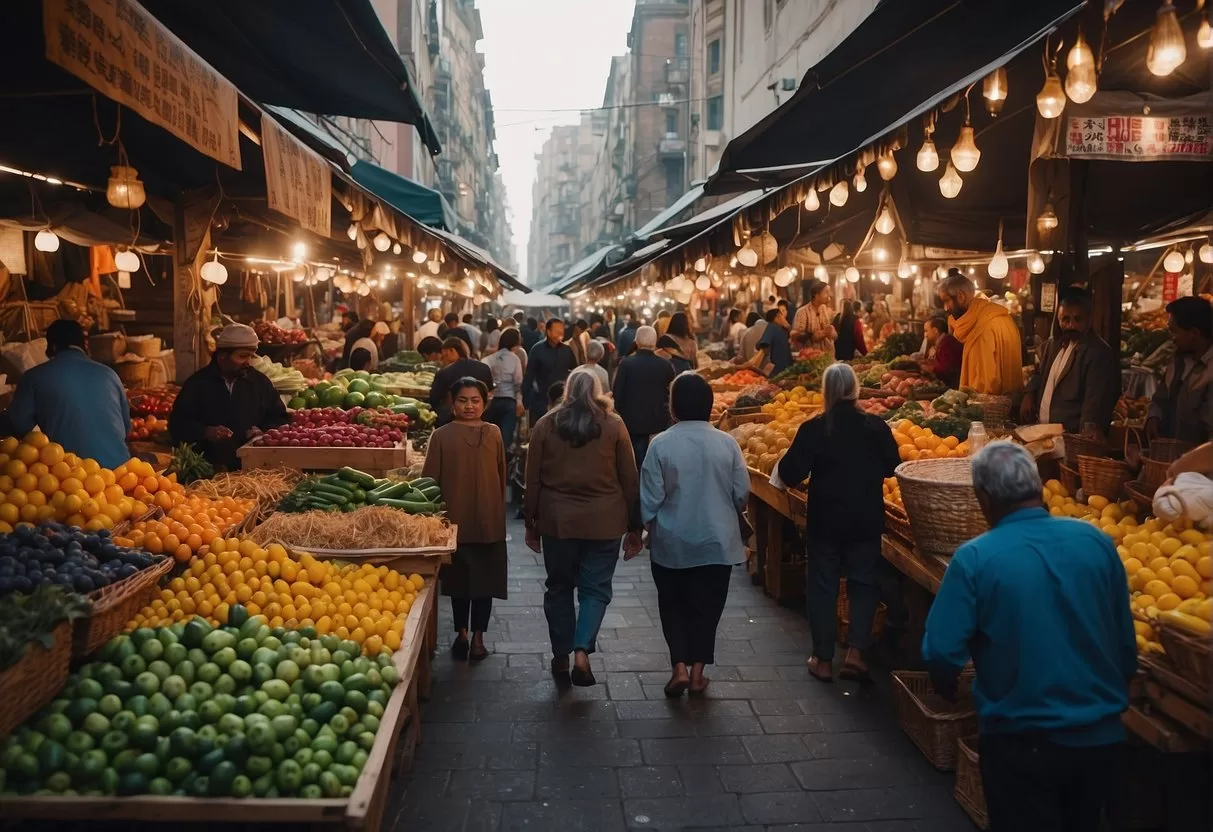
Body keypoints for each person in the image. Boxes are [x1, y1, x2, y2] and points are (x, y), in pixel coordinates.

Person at [922, 441, 1136, 831]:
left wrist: (947, 684)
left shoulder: (975, 558)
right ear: (1038, 487)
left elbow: (940, 652)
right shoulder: (1097, 543)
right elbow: (1125, 645)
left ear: (983, 498)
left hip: (1021, 742)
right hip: (1099, 740)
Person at [774, 362, 900, 682]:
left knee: (822, 585)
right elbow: (892, 467)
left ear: (826, 391)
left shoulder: (815, 428)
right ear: (856, 390)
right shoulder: (876, 426)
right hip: (865, 520)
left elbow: (789, 473)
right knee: (863, 583)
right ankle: (856, 652)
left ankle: (823, 658)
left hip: (825, 521)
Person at [524, 369, 642, 686]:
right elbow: (629, 479)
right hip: (605, 522)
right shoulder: (614, 425)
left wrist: (530, 521)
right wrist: (635, 525)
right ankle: (581, 650)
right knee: (595, 589)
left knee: (559, 587)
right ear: (599, 390)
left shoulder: (546, 424)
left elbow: (532, 478)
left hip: (557, 521)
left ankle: (561, 655)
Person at [640, 372, 749, 697]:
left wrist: (645, 529)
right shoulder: (727, 443)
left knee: (673, 605)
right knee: (707, 607)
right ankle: (698, 672)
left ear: (673, 407)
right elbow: (742, 492)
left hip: (671, 544)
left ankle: (679, 669)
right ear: (709, 405)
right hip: (717, 543)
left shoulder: (660, 444)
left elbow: (649, 500)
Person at [423, 377, 507, 662]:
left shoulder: (493, 433)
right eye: (463, 400)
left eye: (475, 401)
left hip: (482, 521)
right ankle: (464, 634)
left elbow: (500, 475)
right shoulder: (442, 435)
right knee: (464, 583)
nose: (469, 406)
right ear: (452, 402)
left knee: (480, 583)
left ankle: (475, 637)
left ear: (485, 403)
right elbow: (430, 482)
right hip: (459, 522)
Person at [7, 319, 131, 468]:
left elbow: (19, 425)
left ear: (52, 346)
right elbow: (126, 428)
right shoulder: (111, 375)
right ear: (84, 345)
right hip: (122, 473)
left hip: (72, 477)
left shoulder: (34, 377)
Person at [170, 324, 288, 471]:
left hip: (254, 471)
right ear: (222, 356)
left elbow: (279, 417)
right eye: (242, 356)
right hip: (208, 473)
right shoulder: (196, 384)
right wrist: (204, 432)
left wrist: (262, 433)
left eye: (250, 356)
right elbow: (177, 425)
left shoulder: (260, 383)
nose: (248, 362)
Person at [1021, 288, 1118, 436]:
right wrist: (1030, 393)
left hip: (1071, 436)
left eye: (1078, 319)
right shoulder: (1053, 345)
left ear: (1088, 320)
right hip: (1044, 432)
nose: (1071, 325)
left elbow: (1094, 401)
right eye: (1066, 319)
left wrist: (1086, 434)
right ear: (1059, 320)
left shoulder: (1097, 352)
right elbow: (1040, 372)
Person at [939, 269, 1023, 395]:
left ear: (961, 296)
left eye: (946, 301)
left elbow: (985, 384)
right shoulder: (992, 314)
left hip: (990, 408)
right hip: (1011, 402)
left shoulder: (981, 326)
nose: (945, 308)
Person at [1147, 295, 1213, 443]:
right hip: (1169, 454)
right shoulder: (1177, 361)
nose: (1172, 338)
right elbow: (1161, 396)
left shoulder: (1209, 369)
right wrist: (1154, 416)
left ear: (1194, 334)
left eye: (1174, 331)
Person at [613, 325, 676, 468]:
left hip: (632, 422)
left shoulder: (626, 364)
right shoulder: (665, 365)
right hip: (659, 421)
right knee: (657, 462)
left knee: (636, 461)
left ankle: (638, 486)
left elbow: (618, 393)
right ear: (654, 342)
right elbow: (671, 393)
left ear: (636, 341)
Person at [522, 318, 577, 425]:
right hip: (541, 401)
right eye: (557, 332)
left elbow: (574, 372)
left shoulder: (567, 350)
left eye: (562, 332)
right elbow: (529, 376)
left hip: (563, 401)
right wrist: (526, 400)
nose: (561, 334)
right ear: (548, 331)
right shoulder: (537, 349)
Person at [430, 337, 493, 425]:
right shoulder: (484, 368)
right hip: (481, 419)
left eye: (444, 356)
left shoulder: (446, 372)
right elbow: (490, 393)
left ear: (452, 351)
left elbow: (434, 398)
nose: (443, 361)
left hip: (452, 422)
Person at [483, 328, 525, 450]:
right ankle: (503, 463)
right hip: (509, 402)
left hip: (492, 402)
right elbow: (518, 383)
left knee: (490, 435)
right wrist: (519, 402)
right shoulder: (515, 358)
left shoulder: (490, 358)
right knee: (505, 438)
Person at [790, 280, 836, 354]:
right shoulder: (802, 312)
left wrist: (832, 332)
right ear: (816, 295)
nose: (829, 295)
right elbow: (795, 335)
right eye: (826, 292)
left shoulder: (826, 310)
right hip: (810, 357)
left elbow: (833, 335)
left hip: (827, 355)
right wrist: (814, 335)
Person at [919, 316, 963, 389]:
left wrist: (930, 368)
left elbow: (947, 369)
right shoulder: (942, 343)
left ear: (935, 330)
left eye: (926, 331)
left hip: (953, 388)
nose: (925, 334)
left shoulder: (948, 343)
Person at [754, 306, 793, 376]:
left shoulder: (782, 330)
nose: (784, 318)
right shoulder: (772, 327)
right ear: (778, 316)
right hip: (777, 372)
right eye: (782, 316)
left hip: (784, 370)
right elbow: (764, 347)